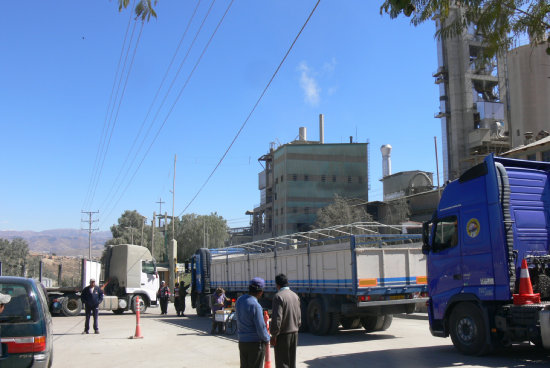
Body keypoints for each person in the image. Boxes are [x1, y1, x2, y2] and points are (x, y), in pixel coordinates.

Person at [235, 278, 270, 368]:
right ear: (260, 292)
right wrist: (267, 339)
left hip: (242, 342)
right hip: (254, 345)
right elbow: (260, 327)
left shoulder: (239, 300)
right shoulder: (256, 306)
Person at [270, 274, 301, 368]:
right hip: (294, 332)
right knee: (292, 363)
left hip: (283, 335)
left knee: (282, 363)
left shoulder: (278, 296)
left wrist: (274, 335)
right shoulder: (295, 296)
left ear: (277, 285)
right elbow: (299, 317)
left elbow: (277, 318)